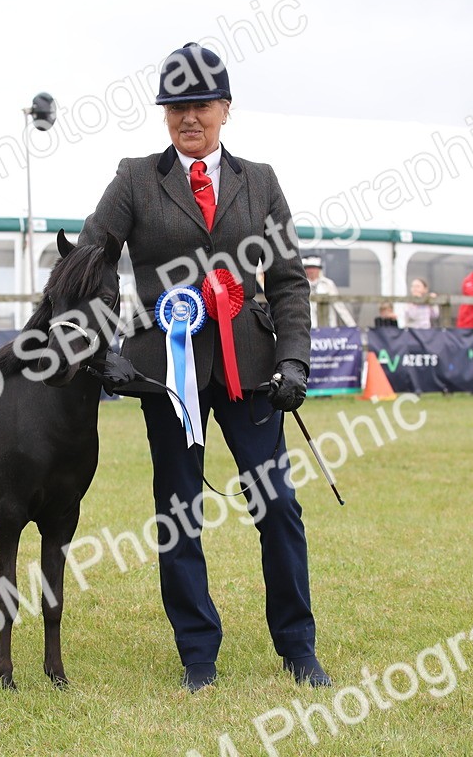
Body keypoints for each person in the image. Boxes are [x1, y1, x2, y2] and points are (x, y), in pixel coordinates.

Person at [79, 42, 330, 691]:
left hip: (253, 373)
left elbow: (287, 280)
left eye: (200, 106)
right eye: (175, 107)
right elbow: (91, 257)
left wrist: (294, 359)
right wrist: (103, 338)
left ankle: (298, 648)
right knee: (179, 510)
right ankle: (198, 656)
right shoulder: (136, 178)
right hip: (169, 371)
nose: (188, 117)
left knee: (277, 506)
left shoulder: (261, 180)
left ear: (225, 109)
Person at [302, 255, 355, 328]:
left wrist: (352, 326)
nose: (311, 271)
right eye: (308, 268)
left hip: (328, 328)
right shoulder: (301, 285)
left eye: (314, 268)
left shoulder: (328, 284)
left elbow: (339, 306)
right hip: (308, 328)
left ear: (319, 269)